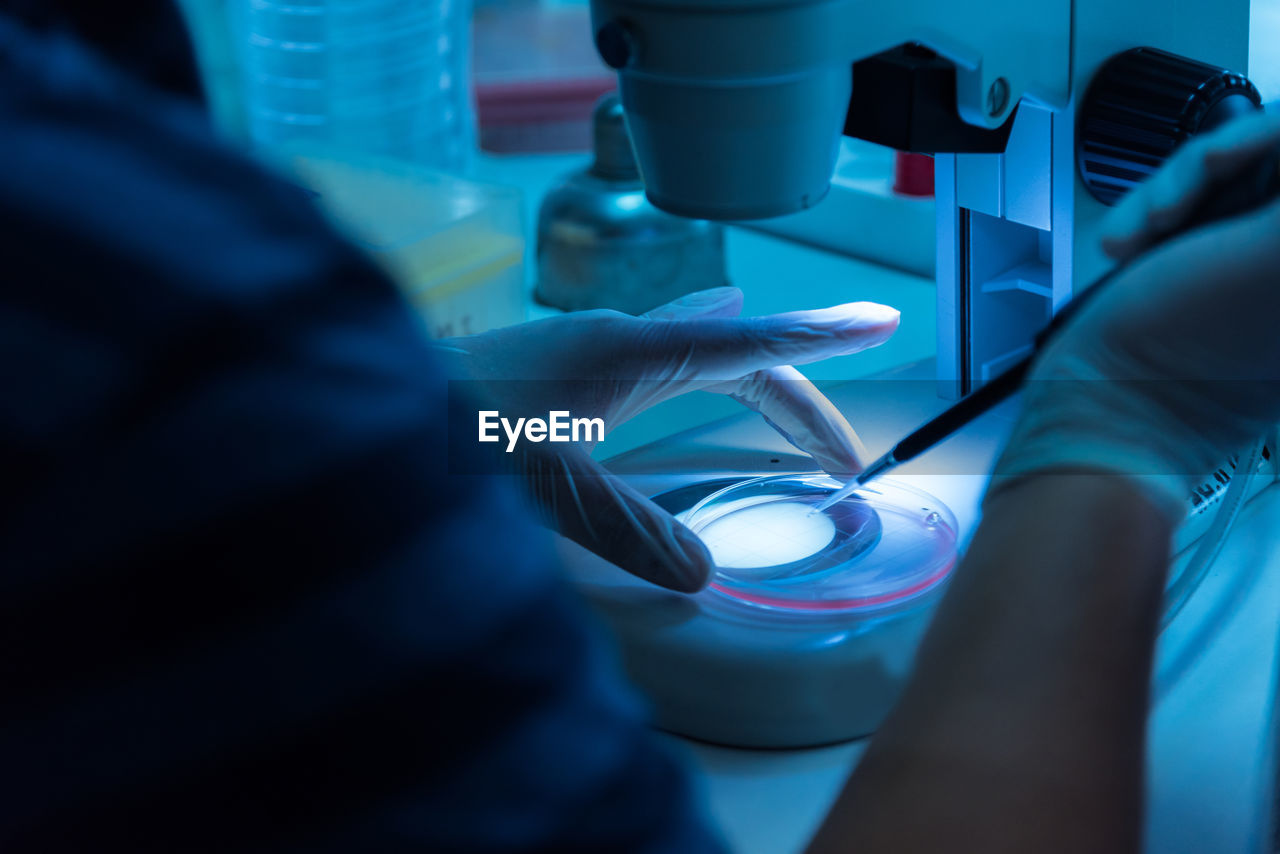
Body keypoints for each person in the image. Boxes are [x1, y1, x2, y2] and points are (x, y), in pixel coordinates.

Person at [3, 2, 1280, 852]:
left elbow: (202, 480)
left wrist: (452, 420)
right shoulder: (151, 293)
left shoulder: (106, 249)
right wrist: (1117, 428)